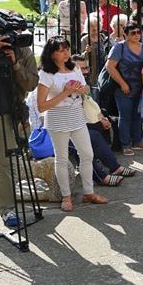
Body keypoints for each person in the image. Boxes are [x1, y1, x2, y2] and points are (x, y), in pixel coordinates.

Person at [36, 36, 108, 212]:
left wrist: (80, 89)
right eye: (61, 50)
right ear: (51, 54)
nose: (66, 53)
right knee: (61, 158)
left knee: (87, 154)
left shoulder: (74, 67)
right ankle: (66, 196)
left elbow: (86, 89)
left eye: (66, 49)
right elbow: (41, 105)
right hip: (57, 119)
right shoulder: (46, 74)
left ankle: (88, 192)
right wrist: (66, 92)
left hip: (77, 116)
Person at [0, 33, 39, 227]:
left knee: (6, 164)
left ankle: (7, 210)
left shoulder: (21, 48)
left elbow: (31, 83)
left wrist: (16, 64)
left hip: (6, 113)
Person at [106, 22, 143, 155]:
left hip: (140, 87)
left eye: (138, 32)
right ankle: (125, 144)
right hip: (123, 87)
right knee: (125, 116)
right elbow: (110, 66)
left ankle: (137, 139)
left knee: (138, 115)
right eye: (133, 33)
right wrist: (122, 83)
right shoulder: (120, 47)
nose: (137, 35)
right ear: (125, 35)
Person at [79, 15, 107, 87]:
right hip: (92, 69)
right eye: (91, 26)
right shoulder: (84, 40)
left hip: (103, 66)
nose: (94, 28)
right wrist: (86, 52)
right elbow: (80, 58)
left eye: (96, 25)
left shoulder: (103, 38)